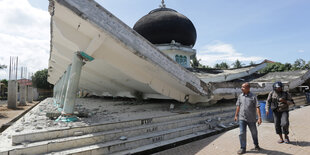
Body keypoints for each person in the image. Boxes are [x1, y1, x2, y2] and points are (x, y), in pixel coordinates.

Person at [234, 82, 262, 154]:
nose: (241, 88)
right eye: (241, 87)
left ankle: (256, 144)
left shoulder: (253, 96)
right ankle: (243, 148)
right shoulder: (240, 96)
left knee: (254, 132)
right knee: (242, 133)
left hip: (251, 118)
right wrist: (236, 115)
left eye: (243, 87)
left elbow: (257, 107)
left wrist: (259, 117)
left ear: (248, 88)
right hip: (242, 118)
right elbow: (238, 106)